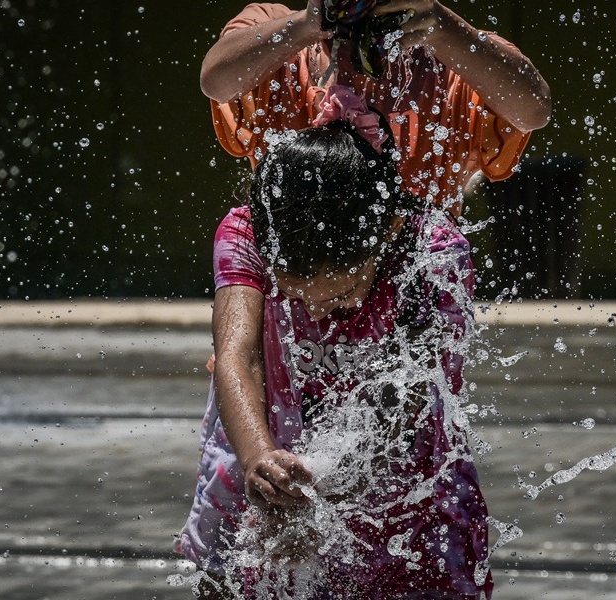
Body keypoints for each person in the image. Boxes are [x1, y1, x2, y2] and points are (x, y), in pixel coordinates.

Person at [178, 87, 493, 599]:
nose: (322, 314)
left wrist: (326, 503)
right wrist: (261, 461)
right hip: (258, 428)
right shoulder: (246, 232)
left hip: (397, 461)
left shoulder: (432, 254)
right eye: (299, 295)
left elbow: (408, 402)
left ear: (387, 232)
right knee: (234, 579)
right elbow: (240, 355)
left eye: (345, 293)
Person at [201, 0, 551, 215]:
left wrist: (445, 29)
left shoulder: (458, 55)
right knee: (239, 233)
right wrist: (306, 25)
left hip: (410, 269)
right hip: (295, 266)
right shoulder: (278, 32)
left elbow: (533, 111)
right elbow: (216, 82)